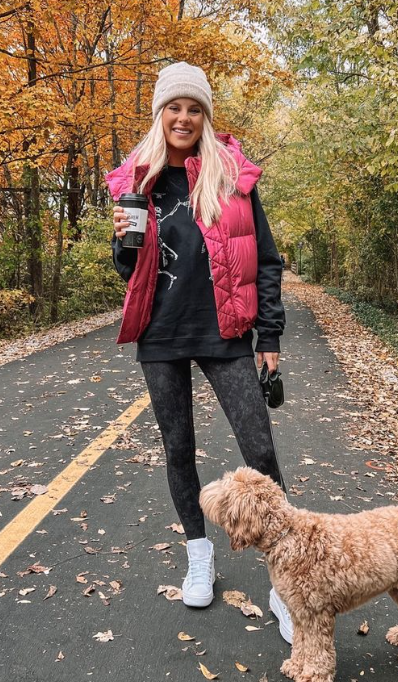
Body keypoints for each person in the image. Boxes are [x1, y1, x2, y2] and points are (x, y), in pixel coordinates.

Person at [107, 61, 293, 643]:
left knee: (259, 448)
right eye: (174, 107)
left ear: (205, 117)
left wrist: (269, 336)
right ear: (159, 115)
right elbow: (128, 271)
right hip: (161, 333)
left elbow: (267, 260)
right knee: (178, 449)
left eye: (194, 108)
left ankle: (286, 579)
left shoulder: (231, 177)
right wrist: (123, 242)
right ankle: (199, 555)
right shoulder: (136, 181)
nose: (183, 118)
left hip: (225, 329)